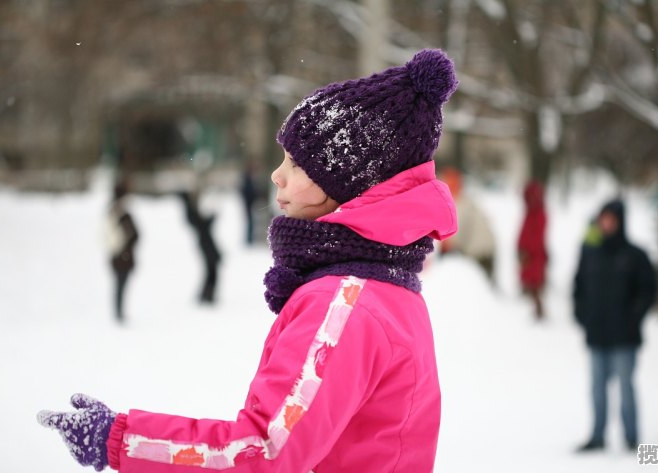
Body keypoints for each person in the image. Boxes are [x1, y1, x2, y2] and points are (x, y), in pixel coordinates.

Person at [37, 48, 459, 472]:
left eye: (296, 164)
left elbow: (263, 453)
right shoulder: (388, 291)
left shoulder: (345, 305)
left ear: (347, 185)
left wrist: (120, 440)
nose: (277, 175)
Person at [573, 199, 658, 452]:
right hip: (597, 334)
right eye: (603, 218)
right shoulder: (590, 252)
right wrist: (583, 315)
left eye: (611, 219)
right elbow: (578, 287)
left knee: (626, 387)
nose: (606, 224)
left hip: (625, 336)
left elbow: (648, 290)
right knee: (597, 389)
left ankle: (631, 437)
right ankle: (597, 436)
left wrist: (634, 316)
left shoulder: (634, 255)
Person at [440, 169, 496, 284]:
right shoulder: (466, 201)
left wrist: (445, 249)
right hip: (488, 248)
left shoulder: (459, 204)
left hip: (479, 252)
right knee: (485, 288)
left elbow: (455, 233)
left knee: (478, 289)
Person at [105, 180, 140, 323]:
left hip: (121, 255)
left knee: (121, 284)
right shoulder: (119, 214)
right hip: (121, 256)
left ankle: (119, 311)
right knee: (120, 284)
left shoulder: (116, 212)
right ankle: (118, 313)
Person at [179, 190, 222, 304]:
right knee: (211, 270)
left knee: (211, 270)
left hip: (205, 243)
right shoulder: (191, 212)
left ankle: (206, 294)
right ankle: (207, 295)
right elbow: (203, 225)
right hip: (205, 244)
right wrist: (212, 218)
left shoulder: (191, 212)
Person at [517, 180, 547, 320]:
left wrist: (527, 251)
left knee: (535, 286)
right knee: (529, 283)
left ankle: (539, 312)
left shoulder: (539, 214)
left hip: (534, 256)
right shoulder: (530, 212)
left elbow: (537, 237)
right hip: (528, 255)